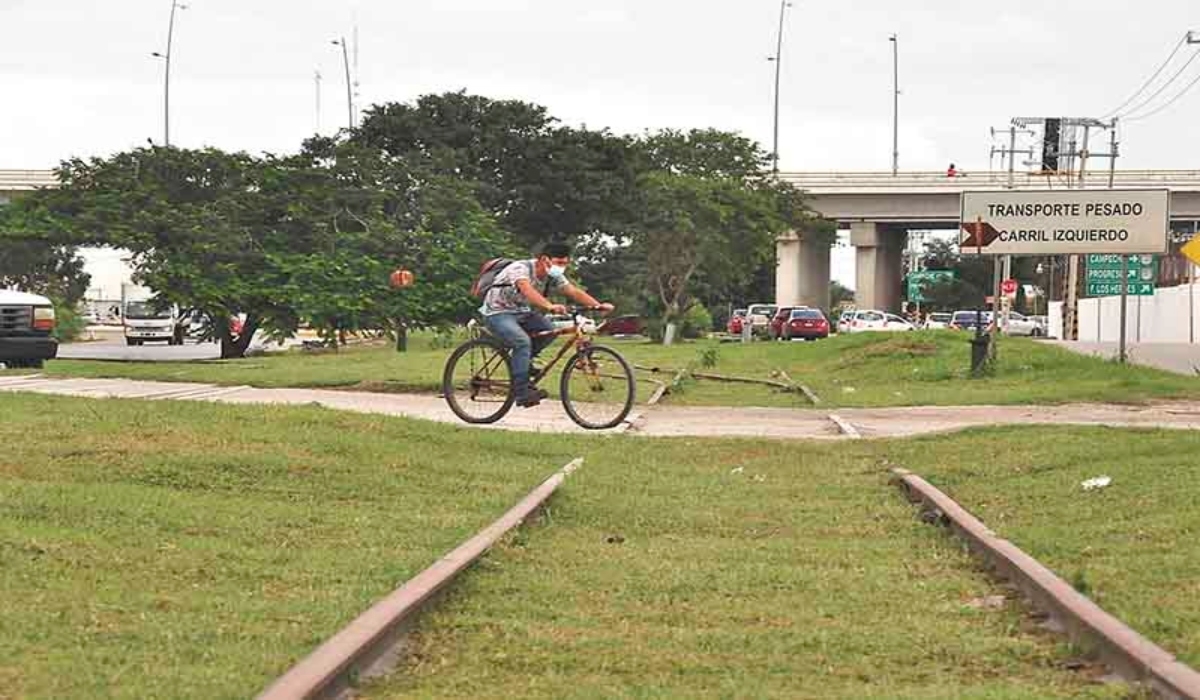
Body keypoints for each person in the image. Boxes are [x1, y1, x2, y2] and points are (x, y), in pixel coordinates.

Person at [480, 241, 614, 407]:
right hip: (497, 313)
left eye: (565, 263)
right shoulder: (519, 268)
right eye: (559, 263)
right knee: (522, 342)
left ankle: (524, 363)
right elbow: (527, 289)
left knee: (550, 331)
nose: (562, 267)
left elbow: (572, 290)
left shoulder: (554, 275)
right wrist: (549, 306)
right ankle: (521, 392)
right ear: (545, 259)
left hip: (521, 312)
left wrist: (598, 305)